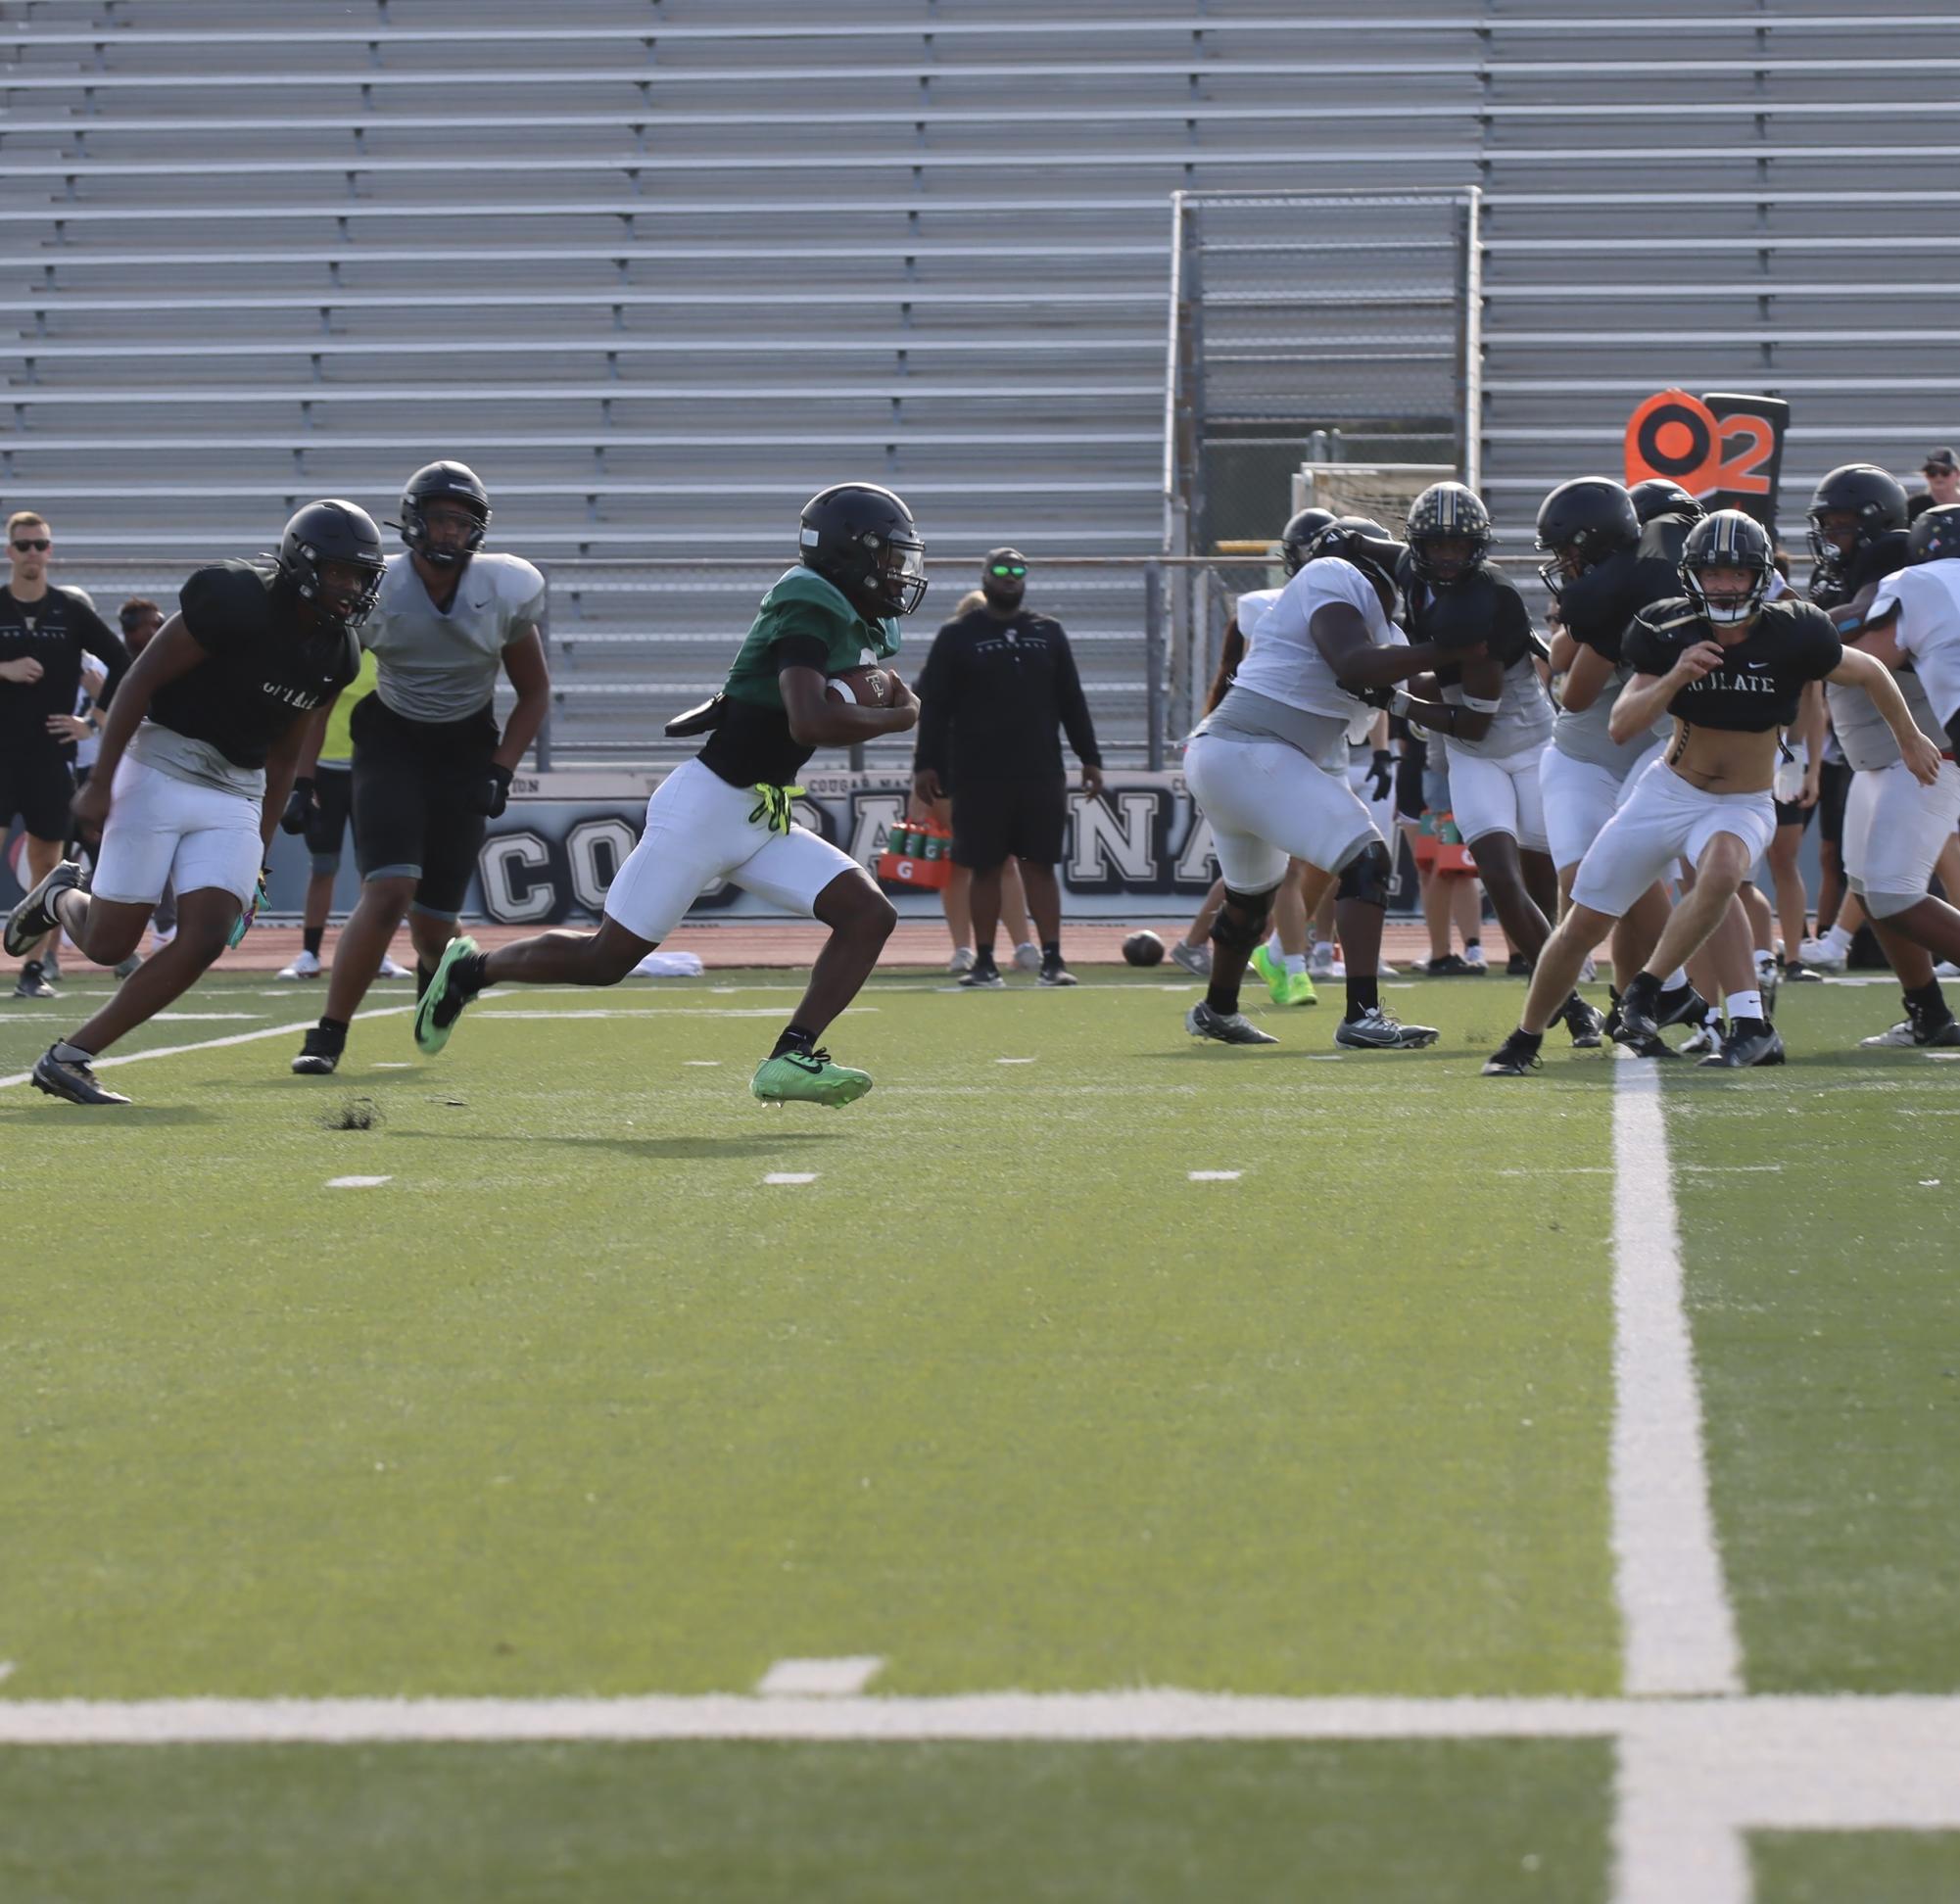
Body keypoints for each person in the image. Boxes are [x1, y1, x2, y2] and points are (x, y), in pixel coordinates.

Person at [412, 482, 926, 1109]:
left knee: (870, 914)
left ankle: (791, 1055)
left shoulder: (848, 612)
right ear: (853, 554)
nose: (898, 573)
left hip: (760, 813)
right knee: (604, 961)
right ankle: (470, 970)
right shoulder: (808, 600)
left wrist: (878, 692)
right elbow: (809, 722)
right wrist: (898, 716)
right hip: (706, 809)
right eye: (889, 558)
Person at [1485, 510, 1940, 1077]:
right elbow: (1622, 725)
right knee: (1583, 921)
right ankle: (1524, 1039)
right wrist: (1675, 676)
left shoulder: (1795, 629)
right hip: (1668, 792)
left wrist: (1911, 737)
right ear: (1691, 576)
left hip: (1743, 801)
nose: (1725, 585)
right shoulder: (1667, 628)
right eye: (1714, 573)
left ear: (1760, 576)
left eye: (1737, 573)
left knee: (1724, 868)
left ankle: (1648, 990)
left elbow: (1870, 669)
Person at [3, 500, 380, 1104]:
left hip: (238, 785)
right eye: (341, 572)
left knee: (207, 933)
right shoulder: (234, 598)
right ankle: (61, 896)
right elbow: (140, 680)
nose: (353, 588)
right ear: (303, 565)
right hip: (162, 761)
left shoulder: (339, 651)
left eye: (361, 576)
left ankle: (69, 1057)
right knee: (108, 944)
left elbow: (285, 753)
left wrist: (258, 846)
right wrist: (100, 782)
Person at [289, 462, 550, 1075]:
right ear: (413, 520)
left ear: (477, 531)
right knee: (388, 891)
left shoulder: (501, 591)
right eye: (439, 518)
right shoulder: (379, 588)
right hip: (391, 740)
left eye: (461, 522)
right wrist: (302, 778)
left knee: (435, 927)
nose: (449, 533)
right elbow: (325, 687)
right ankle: (329, 1032)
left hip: (465, 748)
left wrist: (502, 769)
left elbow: (535, 692)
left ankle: (439, 979)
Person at [1179, 515, 1441, 1051]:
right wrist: (1455, 650)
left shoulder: (1374, 624)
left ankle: (1217, 1009)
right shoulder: (1331, 575)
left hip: (1232, 754)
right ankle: (1363, 1016)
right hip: (1251, 749)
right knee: (1366, 859)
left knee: (1250, 901)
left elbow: (1404, 679)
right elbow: (1355, 662)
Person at [1392, 482, 1602, 1047]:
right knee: (1502, 880)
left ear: (1477, 548)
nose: (1446, 557)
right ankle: (1575, 1005)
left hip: (1526, 742)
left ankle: (1594, 981)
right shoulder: (1413, 577)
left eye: (1458, 546)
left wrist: (1399, 700)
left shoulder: (1488, 600)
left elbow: (1472, 714)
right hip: (1472, 757)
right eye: (1435, 545)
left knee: (1542, 882)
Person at [1535, 476, 1712, 1050]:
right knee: (1588, 877)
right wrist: (1593, 623)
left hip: (1652, 749)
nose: (1564, 564)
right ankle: (1662, 994)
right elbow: (1568, 678)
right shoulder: (1610, 592)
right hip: (1584, 753)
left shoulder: (1690, 588)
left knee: (1627, 878)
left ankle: (1633, 1002)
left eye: (1569, 553)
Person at [911, 547, 1102, 990]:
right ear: (985, 577)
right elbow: (935, 706)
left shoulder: (1048, 632)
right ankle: (984, 962)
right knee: (985, 866)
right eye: (1001, 569)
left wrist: (1089, 758)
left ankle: (1052, 959)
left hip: (1040, 770)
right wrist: (926, 765)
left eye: (1018, 570)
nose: (1010, 576)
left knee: (1040, 864)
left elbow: (1072, 700)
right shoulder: (957, 635)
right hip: (978, 773)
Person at [1829, 501, 1960, 1042]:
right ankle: (1928, 1012)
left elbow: (1870, 652)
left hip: (1934, 753)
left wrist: (1794, 633)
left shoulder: (1915, 580)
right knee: (1869, 884)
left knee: (1892, 892)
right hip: (1902, 757)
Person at [1, 510, 129, 997]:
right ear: (9, 552)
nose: (32, 553)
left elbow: (121, 663)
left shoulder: (69, 611)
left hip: (51, 758)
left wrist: (92, 721)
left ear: (49, 552)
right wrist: (5, 668)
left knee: (47, 869)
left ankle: (33, 971)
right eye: (23, 544)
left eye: (40, 544)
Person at [274, 643, 410, 984]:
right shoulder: (335, 654)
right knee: (323, 865)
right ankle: (310, 953)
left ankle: (376, 953)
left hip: (371, 771)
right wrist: (304, 781)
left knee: (374, 869)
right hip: (325, 771)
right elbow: (313, 718)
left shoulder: (385, 655)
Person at [921, 588, 1039, 978]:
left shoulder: (1004, 663)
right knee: (987, 862)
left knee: (977, 863)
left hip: (980, 773)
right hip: (966, 773)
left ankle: (974, 950)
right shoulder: (954, 660)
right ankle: (1014, 946)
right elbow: (929, 717)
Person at [1906, 447, 1960, 523]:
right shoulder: (1915, 505)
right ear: (1926, 475)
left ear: (1957, 474)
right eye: (1932, 472)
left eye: (1945, 471)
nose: (1938, 476)